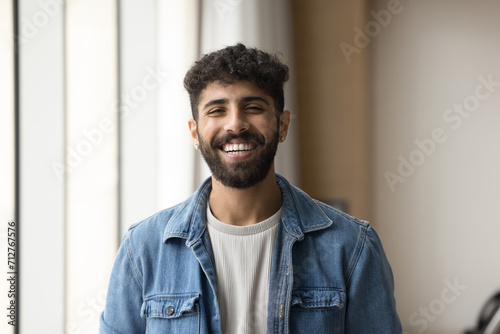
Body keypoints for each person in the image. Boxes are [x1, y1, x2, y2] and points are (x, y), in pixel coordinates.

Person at [100, 43, 402, 333]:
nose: (235, 124)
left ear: (282, 125)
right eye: (217, 110)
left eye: (253, 107)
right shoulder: (143, 249)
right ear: (195, 132)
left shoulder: (351, 246)